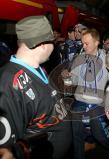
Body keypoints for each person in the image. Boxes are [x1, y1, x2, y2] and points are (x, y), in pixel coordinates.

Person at [0, 16, 71, 159]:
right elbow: (7, 151)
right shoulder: (9, 83)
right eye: (53, 41)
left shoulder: (37, 68)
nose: (54, 45)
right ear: (43, 44)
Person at [61, 28, 109, 159]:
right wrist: (67, 77)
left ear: (97, 42)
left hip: (97, 102)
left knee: (99, 133)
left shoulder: (107, 58)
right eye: (82, 43)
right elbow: (72, 83)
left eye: (87, 43)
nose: (83, 46)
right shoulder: (78, 59)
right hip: (80, 101)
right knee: (76, 134)